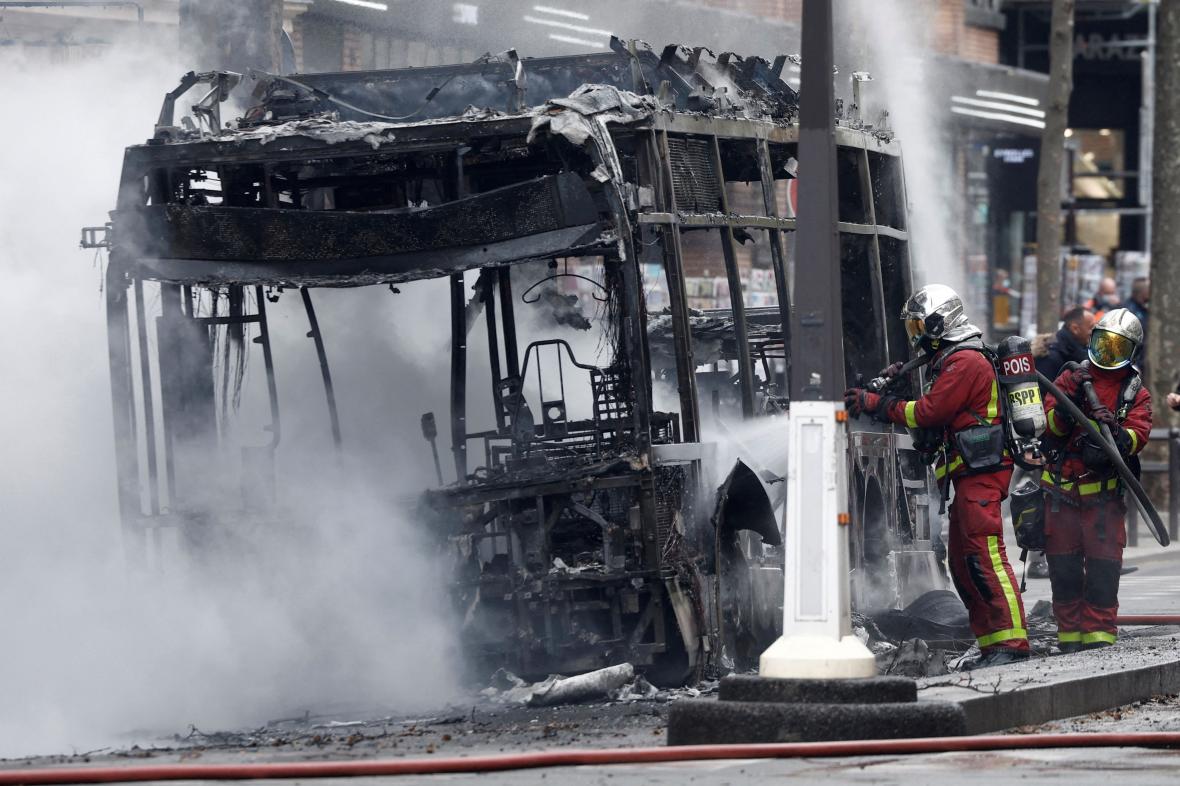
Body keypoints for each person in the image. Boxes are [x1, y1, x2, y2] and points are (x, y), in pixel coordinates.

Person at [844, 284, 1030, 669]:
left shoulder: (965, 362)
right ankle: (992, 644)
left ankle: (1012, 643)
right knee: (962, 561)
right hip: (967, 473)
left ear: (938, 323)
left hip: (981, 472)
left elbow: (929, 412)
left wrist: (878, 403)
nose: (916, 336)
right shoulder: (949, 359)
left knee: (985, 557)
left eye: (918, 327)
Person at [1041, 308, 1151, 652]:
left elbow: (1138, 434)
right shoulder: (1070, 379)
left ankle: (1099, 647)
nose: (1107, 354)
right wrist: (1065, 404)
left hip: (1103, 504)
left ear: (1130, 352)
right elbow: (1050, 428)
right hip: (1061, 498)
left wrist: (1115, 435)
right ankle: (1069, 645)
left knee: (1103, 578)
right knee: (1064, 577)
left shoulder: (1134, 391)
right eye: (1103, 344)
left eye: (1117, 348)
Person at [1026, 305, 1096, 579]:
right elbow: (1037, 399)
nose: (1093, 333)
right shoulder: (1055, 357)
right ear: (1075, 327)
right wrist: (1035, 442)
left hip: (1057, 438)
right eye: (1090, 327)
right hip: (1044, 437)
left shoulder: (1072, 351)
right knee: (1038, 497)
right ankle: (1038, 560)